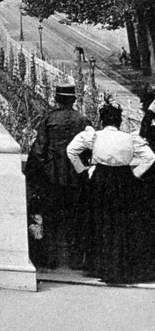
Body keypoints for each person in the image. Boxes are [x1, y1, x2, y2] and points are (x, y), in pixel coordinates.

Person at [68, 100, 155, 284]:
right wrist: (135, 174)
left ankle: (100, 265)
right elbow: (150, 157)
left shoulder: (95, 136)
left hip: (100, 180)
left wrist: (82, 169)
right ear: (119, 121)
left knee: (100, 222)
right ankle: (121, 265)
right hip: (123, 181)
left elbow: (71, 150)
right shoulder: (129, 138)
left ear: (101, 120)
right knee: (121, 224)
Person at [25, 83, 89, 268]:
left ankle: (51, 258)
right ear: (74, 100)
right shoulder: (83, 121)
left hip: (52, 177)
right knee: (76, 218)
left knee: (51, 218)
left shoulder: (49, 119)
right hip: (76, 177)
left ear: (57, 99)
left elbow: (38, 151)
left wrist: (36, 174)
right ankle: (76, 260)